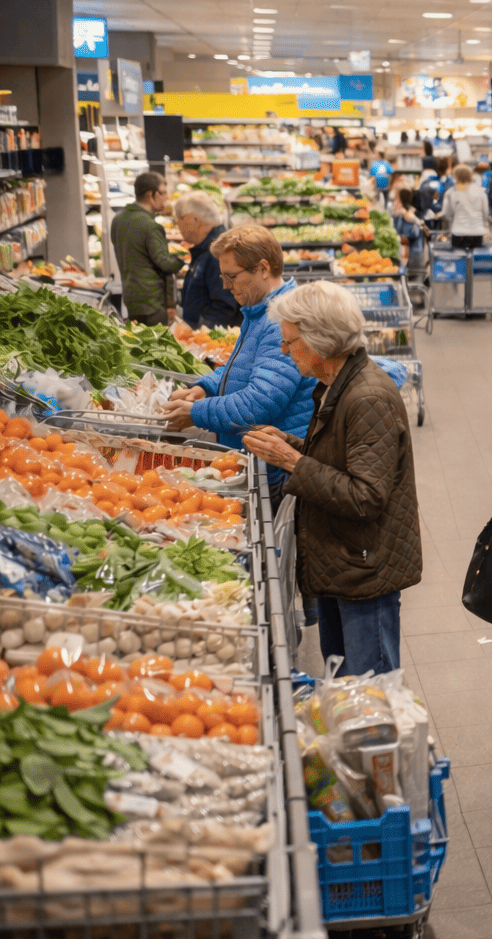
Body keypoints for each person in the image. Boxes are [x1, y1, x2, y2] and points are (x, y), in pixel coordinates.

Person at [241, 281, 421, 679]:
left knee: (371, 691)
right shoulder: (334, 387)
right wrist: (289, 443)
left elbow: (366, 495)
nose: (285, 351)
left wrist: (291, 462)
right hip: (343, 561)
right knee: (345, 685)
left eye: (290, 342)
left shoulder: (367, 397)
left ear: (320, 340)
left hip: (363, 567)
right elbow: (338, 460)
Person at [162, 224, 316, 500]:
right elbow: (242, 370)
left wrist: (196, 412)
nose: (224, 285)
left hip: (274, 470)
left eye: (231, 276)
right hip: (254, 458)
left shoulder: (281, 320)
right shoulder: (259, 312)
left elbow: (259, 403)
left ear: (263, 268)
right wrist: (205, 387)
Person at [111, 171, 181, 325]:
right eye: (162, 193)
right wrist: (181, 259)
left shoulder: (118, 220)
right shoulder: (151, 226)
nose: (166, 197)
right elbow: (166, 264)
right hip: (153, 303)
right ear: (150, 195)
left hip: (131, 299)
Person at [172, 190, 239, 329]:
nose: (177, 224)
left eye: (179, 218)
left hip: (211, 342)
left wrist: (200, 333)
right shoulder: (207, 248)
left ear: (194, 219)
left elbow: (224, 305)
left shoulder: (217, 251)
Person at [440, 164, 491, 250]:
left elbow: (446, 213)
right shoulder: (480, 191)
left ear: (455, 176)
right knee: (475, 260)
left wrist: (451, 223)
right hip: (477, 232)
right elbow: (486, 212)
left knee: (459, 260)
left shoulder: (451, 192)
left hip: (458, 232)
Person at [391, 187, 427, 272]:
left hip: (412, 261)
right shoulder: (406, 213)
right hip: (413, 258)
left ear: (399, 199)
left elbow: (405, 238)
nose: (395, 200)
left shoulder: (407, 216)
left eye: (397, 197)